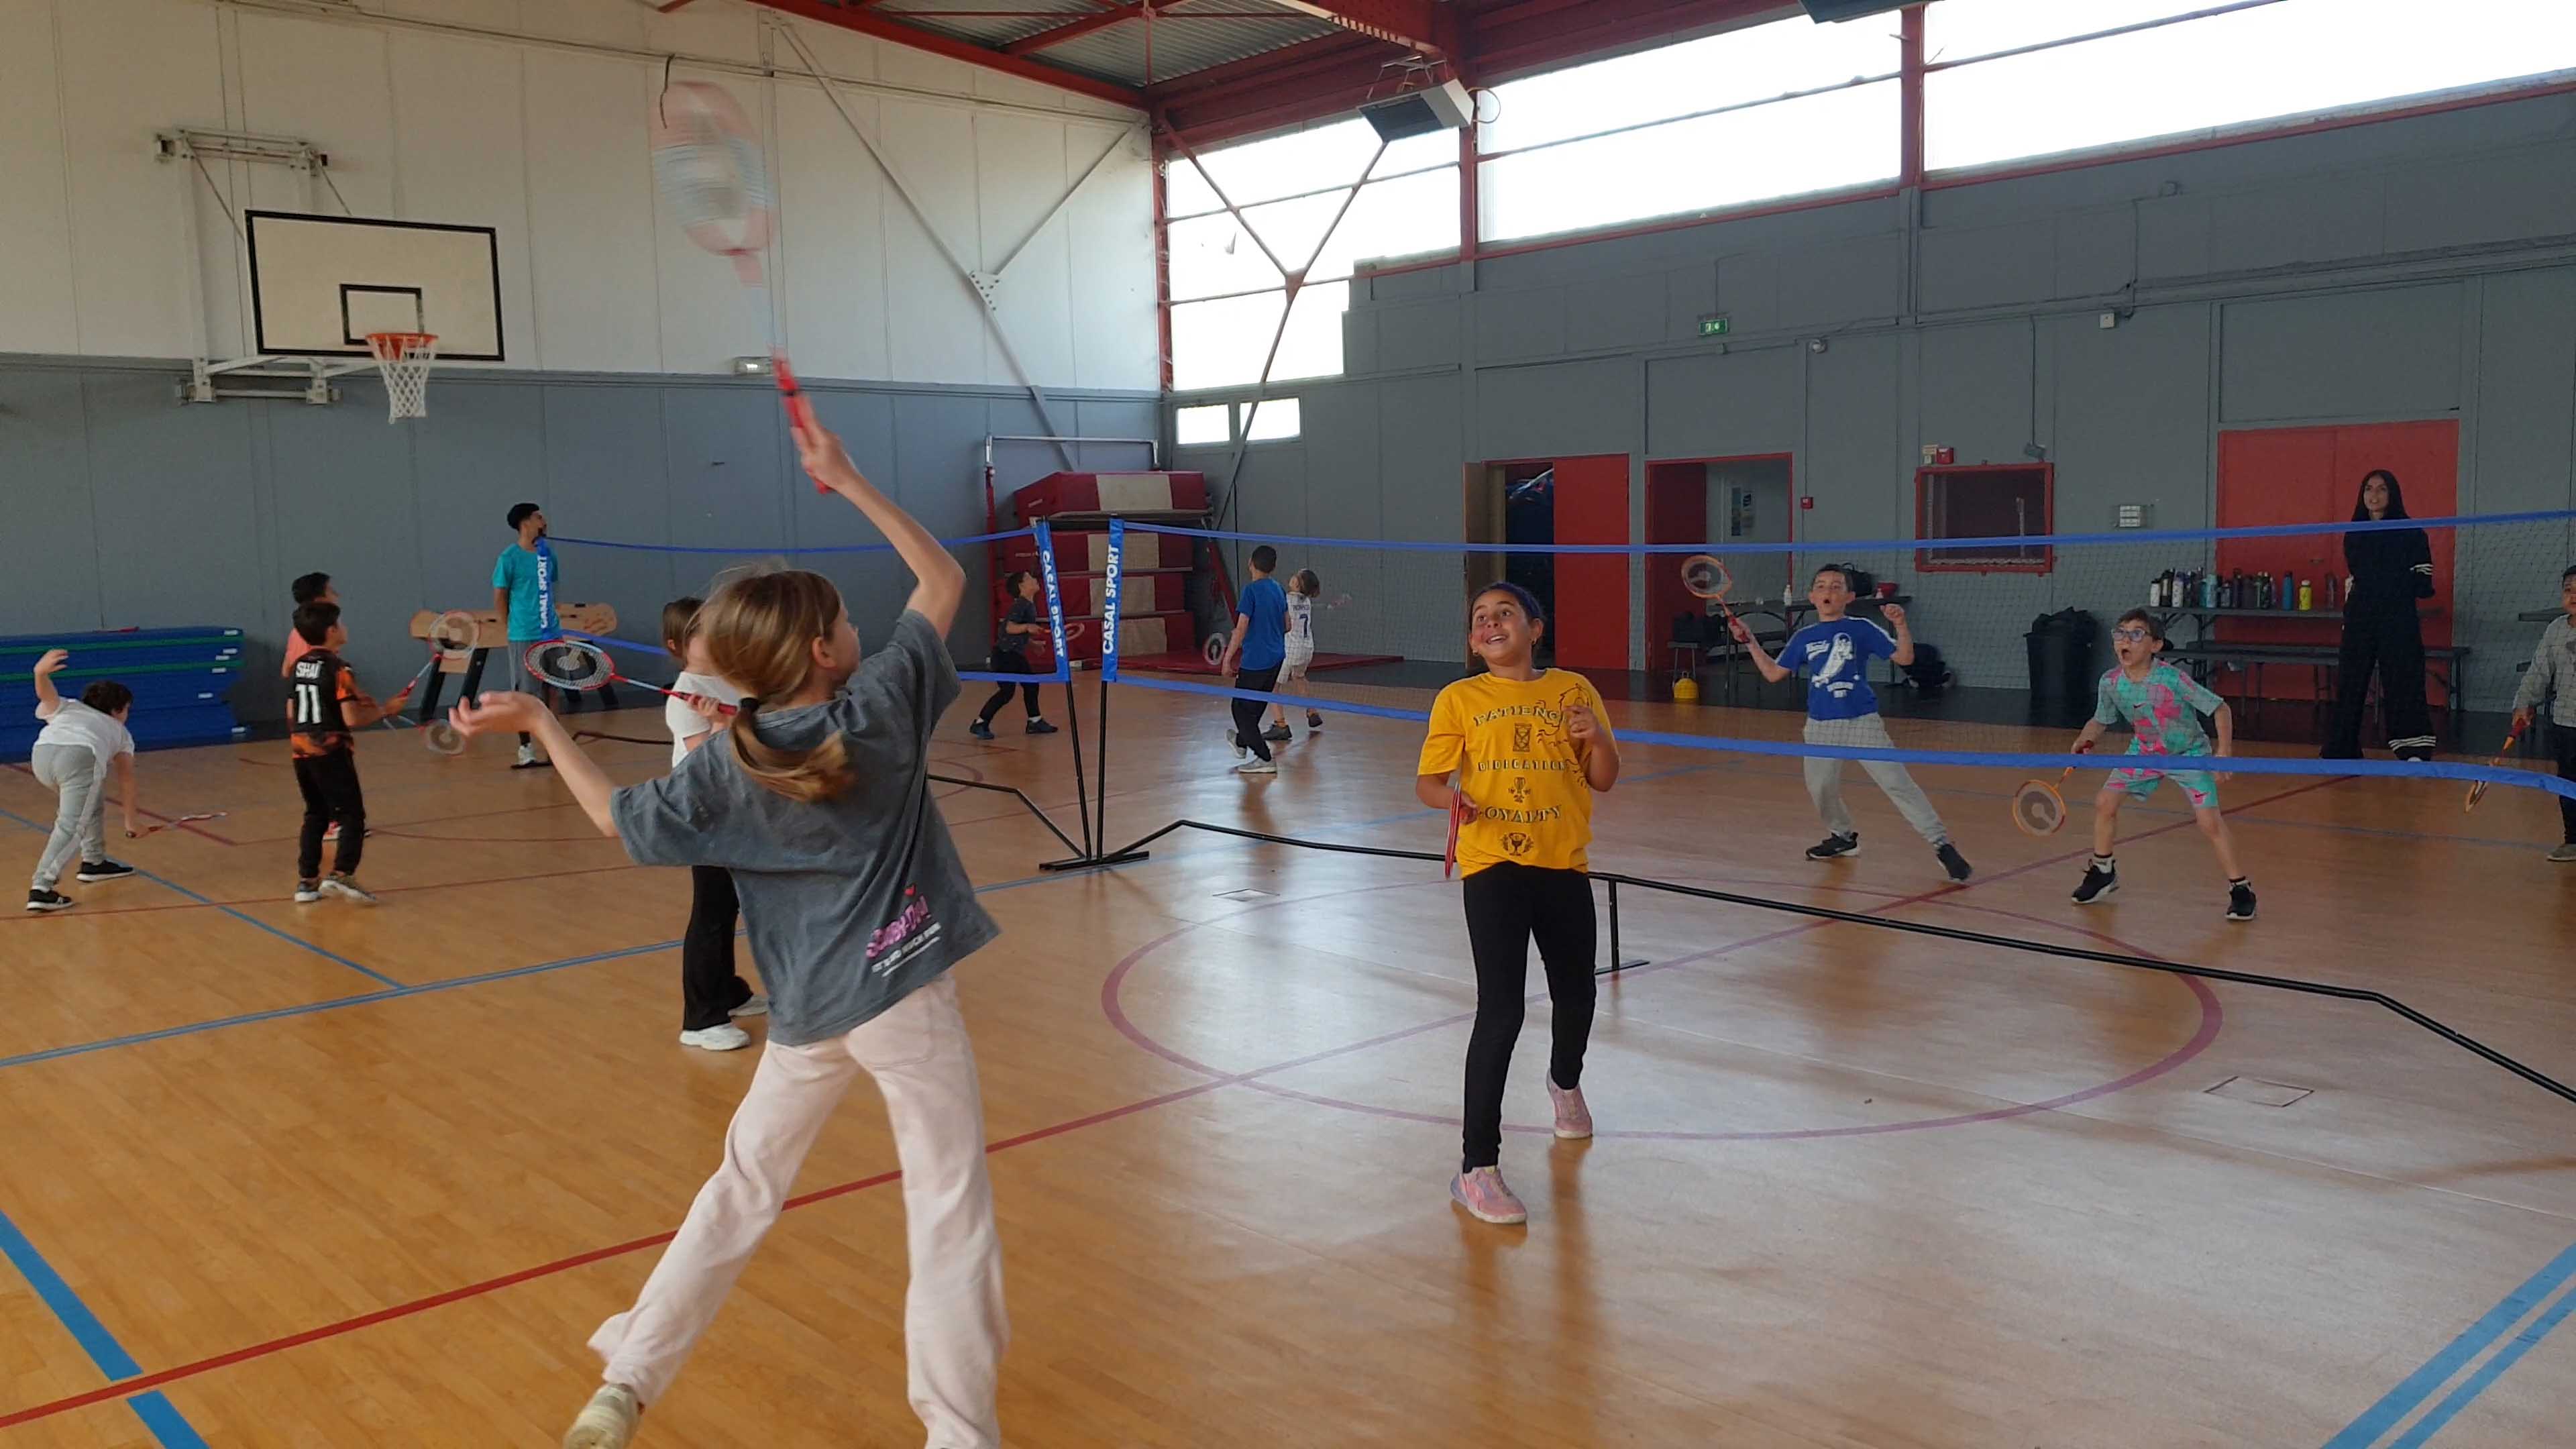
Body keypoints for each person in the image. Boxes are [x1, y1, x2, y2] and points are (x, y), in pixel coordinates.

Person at [451, 417, 1006, 1449]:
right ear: (825, 651)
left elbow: (613, 820)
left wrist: (541, 724)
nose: (856, 625)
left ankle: (629, 1381)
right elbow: (940, 578)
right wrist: (850, 480)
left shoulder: (722, 762)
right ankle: (958, 1431)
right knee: (947, 1207)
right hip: (904, 997)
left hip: (808, 1015)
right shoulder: (882, 708)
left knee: (741, 1190)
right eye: (844, 618)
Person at [1415, 582, 1619, 1226]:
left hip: (1563, 864)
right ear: (1473, 641)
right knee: (1500, 1011)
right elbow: (1428, 782)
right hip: (1492, 866)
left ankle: (1564, 1081)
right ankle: (1477, 1168)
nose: (1491, 622)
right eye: (1480, 617)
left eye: (1505, 613)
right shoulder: (1459, 699)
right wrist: (1452, 799)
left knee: (1577, 995)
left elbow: (1604, 778)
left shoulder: (1574, 691)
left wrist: (1598, 739)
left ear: (1536, 628)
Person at [1732, 566, 1972, 883]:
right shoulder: (1804, 637)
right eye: (1821, 586)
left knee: (1897, 783)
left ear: (1849, 597)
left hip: (1862, 723)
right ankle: (1843, 837)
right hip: (1821, 726)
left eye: (1836, 586)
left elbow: (1904, 658)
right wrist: (1750, 641)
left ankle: (1941, 844)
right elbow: (1774, 673)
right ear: (1812, 597)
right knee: (1821, 789)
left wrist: (1901, 625)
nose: (1828, 591)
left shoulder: (1861, 629)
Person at [2070, 609, 2254, 920]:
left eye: (2136, 634)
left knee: (2209, 823)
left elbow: (2220, 709)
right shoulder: (2111, 682)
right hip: (2144, 752)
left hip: (2189, 755)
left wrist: (2223, 751)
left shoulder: (2172, 679)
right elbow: (2100, 720)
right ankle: (2103, 872)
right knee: (2105, 802)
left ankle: (2241, 889)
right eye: (2120, 633)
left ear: (2155, 645)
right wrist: (2085, 739)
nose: (2125, 640)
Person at [660, 597, 768, 1051]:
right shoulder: (685, 696)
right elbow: (707, 763)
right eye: (703, 631)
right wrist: (718, 724)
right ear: (678, 644)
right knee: (710, 911)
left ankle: (729, 992)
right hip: (705, 815)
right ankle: (701, 1019)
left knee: (728, 908)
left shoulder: (729, 678)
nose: (716, 634)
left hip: (738, 810)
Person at [287, 602, 404, 906]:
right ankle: (342, 873)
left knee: (315, 813)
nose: (345, 628)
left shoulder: (298, 666)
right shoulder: (339, 668)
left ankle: (307, 881)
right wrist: (385, 710)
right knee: (352, 814)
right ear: (331, 631)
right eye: (341, 623)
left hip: (301, 750)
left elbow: (291, 711)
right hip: (331, 751)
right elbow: (351, 719)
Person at [2324, 470, 2438, 762]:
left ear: (2392, 494)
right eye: (2369, 489)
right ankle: (2342, 748)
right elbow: (2362, 574)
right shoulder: (2354, 533)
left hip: (2398, 617)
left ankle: (2413, 748)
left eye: (2382, 489)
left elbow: (2422, 580)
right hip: (2361, 616)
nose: (2374, 495)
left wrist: (2395, 584)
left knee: (2404, 678)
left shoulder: (2411, 532)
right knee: (2350, 681)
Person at [23, 651, 138, 913]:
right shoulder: (120, 733)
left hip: (42, 757)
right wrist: (132, 823)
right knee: (71, 825)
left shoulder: (70, 706)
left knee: (92, 803)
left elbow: (46, 696)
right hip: (81, 757)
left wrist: (40, 674)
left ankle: (94, 862)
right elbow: (127, 780)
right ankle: (42, 888)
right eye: (127, 710)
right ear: (117, 710)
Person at [2510, 564, 2576, 864]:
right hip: (2565, 723)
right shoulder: (2556, 630)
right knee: (2568, 784)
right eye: (2568, 590)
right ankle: (2573, 840)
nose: (2573, 595)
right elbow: (2539, 672)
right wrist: (2525, 703)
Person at [493, 501, 561, 770]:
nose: (544, 521)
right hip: (523, 633)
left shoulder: (548, 555)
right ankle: (526, 749)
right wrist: (509, 625)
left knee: (552, 689)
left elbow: (552, 588)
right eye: (538, 517)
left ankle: (556, 748)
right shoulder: (508, 558)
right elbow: (500, 595)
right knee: (525, 693)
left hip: (551, 632)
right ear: (525, 523)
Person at [1219, 545, 1288, 775]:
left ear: (1251, 563)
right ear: (1273, 567)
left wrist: (1227, 659)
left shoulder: (1251, 591)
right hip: (1277, 658)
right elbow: (1287, 625)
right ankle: (1241, 742)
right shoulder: (1278, 589)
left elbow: (1241, 629)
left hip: (1256, 661)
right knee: (1255, 707)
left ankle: (1265, 758)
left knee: (1239, 709)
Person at [968, 570, 1058, 739]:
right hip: (1005, 655)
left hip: (1013, 654)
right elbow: (1009, 628)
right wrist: (1027, 627)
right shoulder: (1021, 605)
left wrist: (1033, 644)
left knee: (1031, 685)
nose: (1035, 579)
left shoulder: (1028, 605)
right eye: (1029, 578)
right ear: (1021, 586)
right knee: (1007, 692)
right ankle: (980, 723)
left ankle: (1035, 721)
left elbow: (1014, 633)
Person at [1265, 568, 1325, 742]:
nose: (1291, 577)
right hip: (1307, 648)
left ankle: (1280, 725)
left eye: (1296, 576)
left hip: (1290, 650)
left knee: (1272, 686)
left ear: (1297, 584)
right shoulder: (1307, 601)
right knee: (1299, 677)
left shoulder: (1286, 600)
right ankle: (1312, 712)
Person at [282, 572, 335, 676]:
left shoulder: (297, 632)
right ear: (319, 599)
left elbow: (286, 671)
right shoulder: (312, 634)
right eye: (331, 591)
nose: (337, 595)